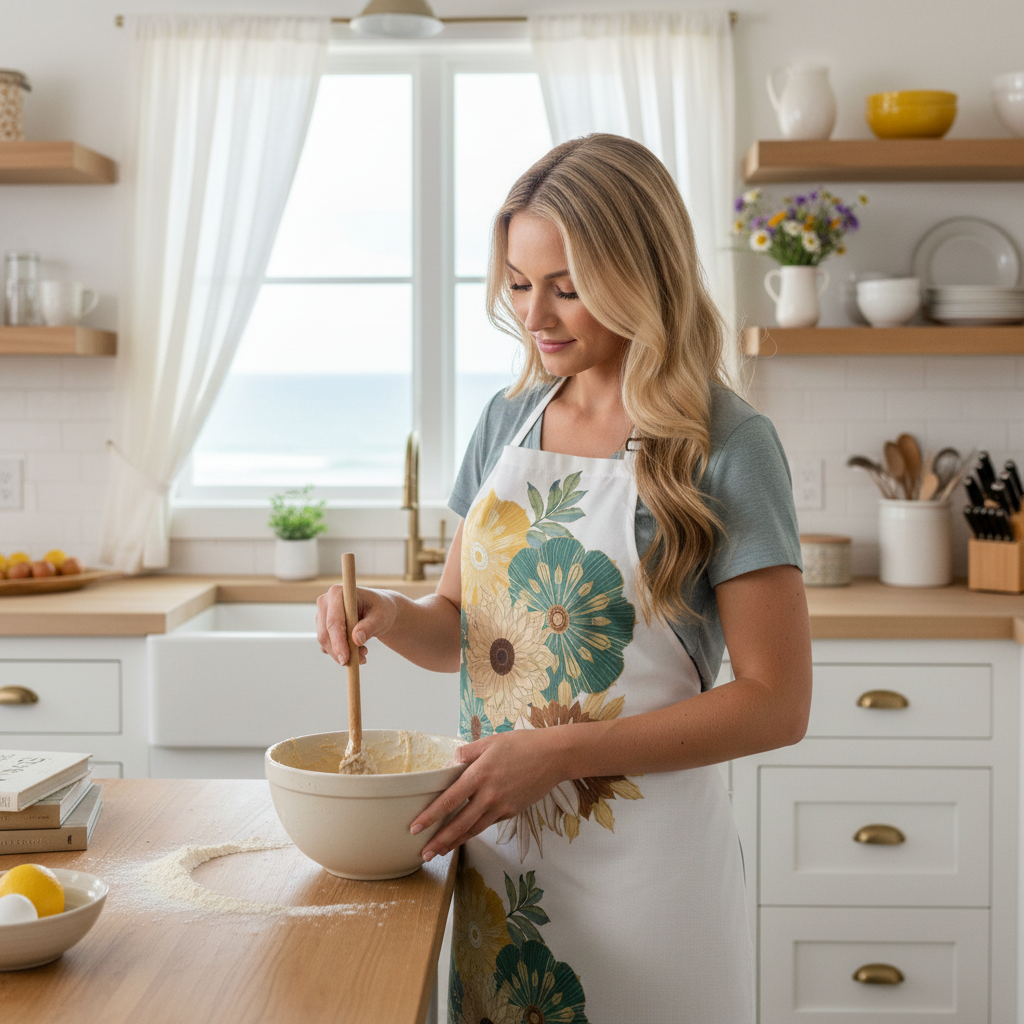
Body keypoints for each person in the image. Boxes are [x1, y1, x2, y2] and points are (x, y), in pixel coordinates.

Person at [316, 133, 812, 1024]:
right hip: (503, 863)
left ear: (641, 274)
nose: (533, 315)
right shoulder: (506, 422)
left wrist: (557, 754)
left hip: (650, 881)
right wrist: (389, 614)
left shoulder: (727, 445)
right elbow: (458, 630)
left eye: (567, 287)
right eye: (517, 281)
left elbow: (778, 702)